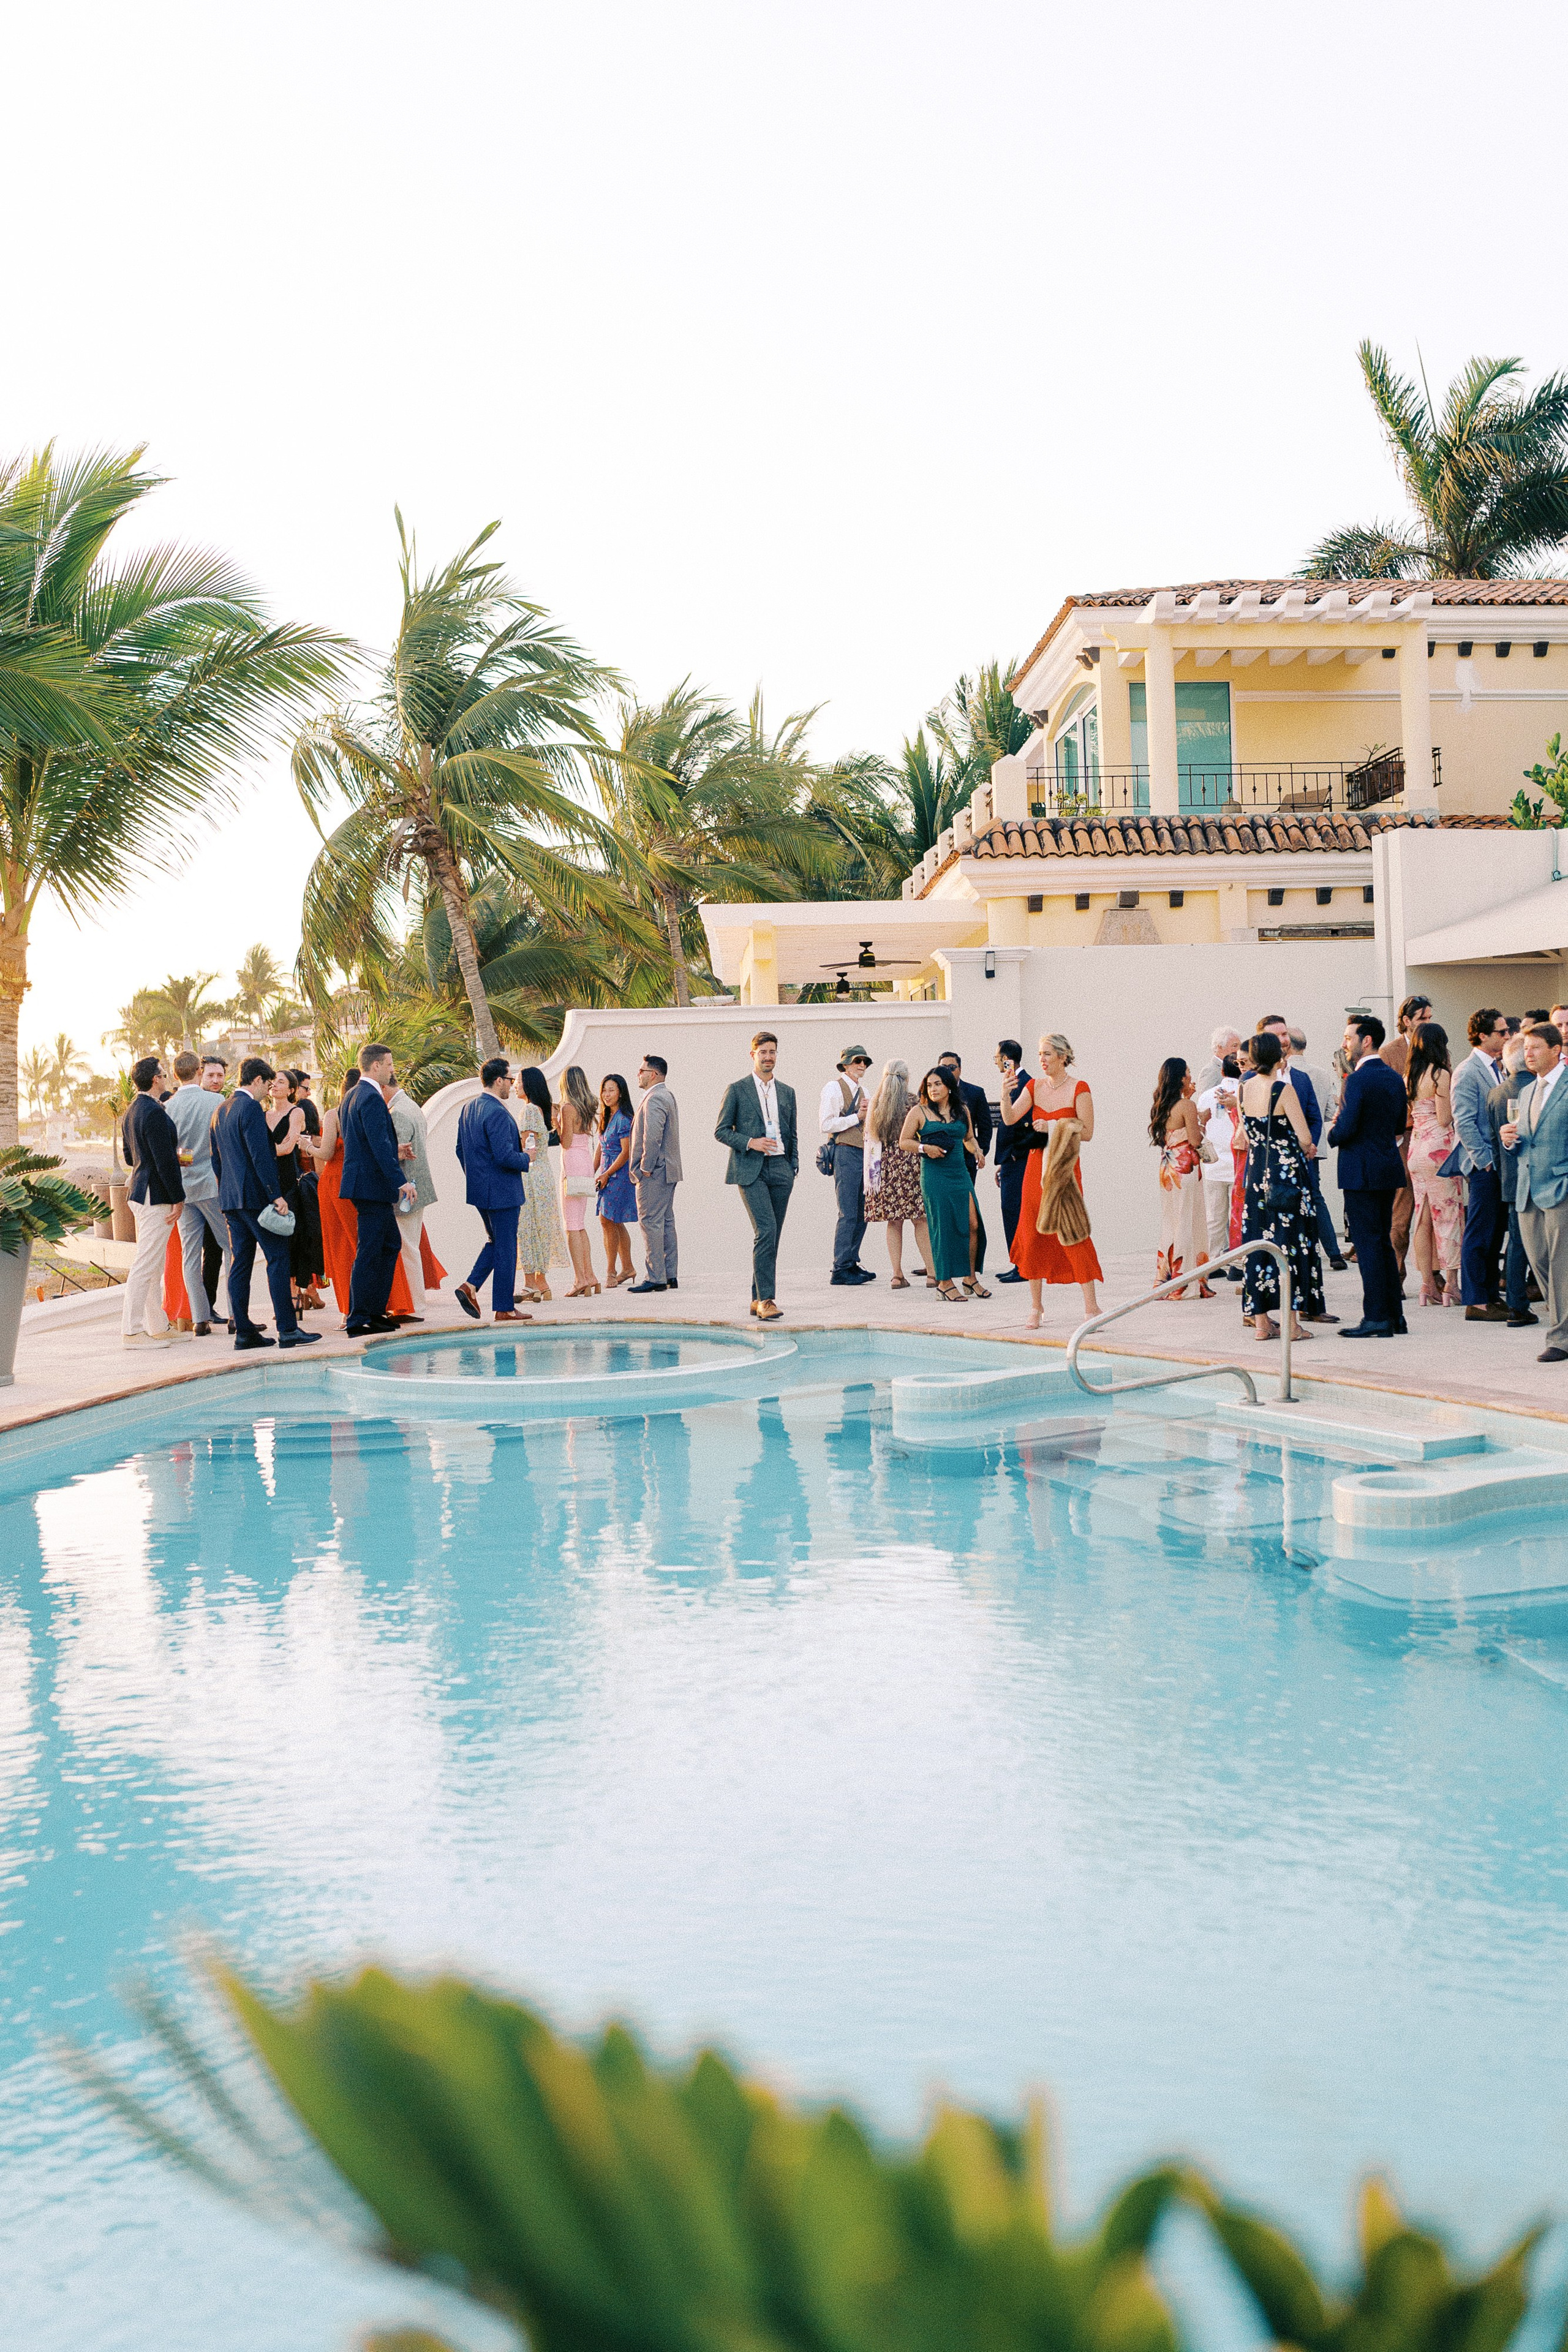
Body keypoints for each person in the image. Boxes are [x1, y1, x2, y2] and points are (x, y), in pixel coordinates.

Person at [210, 1057, 316, 1350]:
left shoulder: (221, 1110)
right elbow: (262, 1156)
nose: (268, 1090)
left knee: (240, 1264)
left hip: (231, 1201)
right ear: (257, 1080)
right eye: (267, 1084)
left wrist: (228, 1191)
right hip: (257, 1199)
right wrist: (276, 1195)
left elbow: (216, 1160)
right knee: (279, 1259)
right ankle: (288, 1329)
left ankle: (244, 1332)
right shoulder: (251, 1109)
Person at [1000, 1033, 1102, 1330]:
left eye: (1047, 1054)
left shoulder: (1079, 1088)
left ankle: (1092, 1306)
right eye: (1040, 1054)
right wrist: (1005, 1094)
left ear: (1062, 1056)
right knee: (1032, 1234)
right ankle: (1036, 1306)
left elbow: (1087, 1132)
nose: (1041, 1060)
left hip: (1065, 1169)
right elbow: (1009, 1119)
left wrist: (1054, 1125)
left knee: (1073, 1231)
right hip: (1035, 1168)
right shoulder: (1033, 1086)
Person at [1238, 1029, 1324, 1343]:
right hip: (1285, 1175)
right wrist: (1308, 1148)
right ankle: (1292, 1324)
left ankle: (1262, 1323)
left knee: (1258, 1244)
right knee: (1291, 1243)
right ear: (1280, 1057)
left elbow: (1245, 1135)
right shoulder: (1282, 1089)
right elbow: (1304, 1137)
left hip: (1256, 1174)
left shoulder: (1243, 1089)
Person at [1329, 1015, 1409, 1338]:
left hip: (1361, 1171)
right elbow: (1398, 1125)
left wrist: (1333, 1132)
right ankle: (1394, 1316)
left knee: (1368, 1245)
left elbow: (1346, 1128)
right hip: (1388, 1167)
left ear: (1366, 1041)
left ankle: (1376, 1317)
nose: (1345, 1044)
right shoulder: (1393, 1078)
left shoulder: (1357, 1080)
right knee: (1383, 1243)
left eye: (1349, 1038)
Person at [715, 1030, 799, 1321]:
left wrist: (793, 1166)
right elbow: (721, 1131)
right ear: (753, 1055)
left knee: (772, 1236)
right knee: (766, 1230)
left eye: (772, 1052)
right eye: (763, 1052)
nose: (768, 1057)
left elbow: (793, 1132)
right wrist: (751, 1142)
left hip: (781, 1168)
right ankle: (767, 1300)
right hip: (750, 1169)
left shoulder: (788, 1092)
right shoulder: (737, 1090)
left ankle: (755, 1297)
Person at [1500, 1022, 1568, 1364]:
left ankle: (1560, 1337)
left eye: (1536, 1047)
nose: (1528, 1054)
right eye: (1526, 1048)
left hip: (1561, 1188)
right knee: (1540, 1262)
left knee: (1561, 1265)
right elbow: (1525, 1144)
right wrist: (1508, 1140)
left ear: (1557, 1050)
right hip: (1528, 1191)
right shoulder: (1525, 1092)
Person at [340, 1042, 416, 1336]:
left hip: (365, 1184)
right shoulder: (370, 1097)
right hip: (371, 1187)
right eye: (389, 1064)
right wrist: (401, 1180)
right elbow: (378, 1145)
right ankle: (359, 1317)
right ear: (375, 1066)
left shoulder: (352, 1095)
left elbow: (365, 1143)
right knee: (371, 1251)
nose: (392, 1069)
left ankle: (373, 1312)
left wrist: (396, 1150)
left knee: (387, 1246)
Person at [454, 1057, 532, 1324]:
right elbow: (504, 1156)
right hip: (502, 1191)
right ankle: (504, 1307)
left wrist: (477, 1177)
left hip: (480, 1191)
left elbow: (460, 1151)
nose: (511, 1085)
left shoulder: (469, 1108)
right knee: (508, 1247)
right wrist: (527, 1158)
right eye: (510, 1080)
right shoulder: (497, 1111)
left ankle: (471, 1286)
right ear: (499, 1080)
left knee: (496, 1242)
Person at [899, 1066, 986, 1304]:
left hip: (960, 1172)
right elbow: (904, 1142)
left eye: (938, 1084)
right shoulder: (919, 1111)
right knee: (942, 1227)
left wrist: (977, 1152)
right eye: (929, 1085)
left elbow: (968, 1138)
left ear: (948, 1086)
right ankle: (944, 1283)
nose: (933, 1089)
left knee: (972, 1224)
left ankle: (969, 1278)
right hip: (935, 1175)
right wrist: (924, 1148)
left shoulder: (962, 1111)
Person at [121, 1055, 186, 1349]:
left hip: (139, 1191)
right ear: (156, 1079)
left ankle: (157, 1326)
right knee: (146, 1264)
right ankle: (132, 1331)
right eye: (163, 1073)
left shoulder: (132, 1111)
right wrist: (178, 1198)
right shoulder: (155, 1113)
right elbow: (164, 1162)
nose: (166, 1077)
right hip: (154, 1194)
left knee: (152, 1262)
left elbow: (129, 1157)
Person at [1453, 1006, 1511, 1320]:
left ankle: (1489, 1294)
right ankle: (1475, 1299)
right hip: (1484, 1164)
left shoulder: (1497, 1068)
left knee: (1494, 1231)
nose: (1507, 1036)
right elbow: (1463, 1122)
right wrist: (1485, 1161)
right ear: (1482, 1035)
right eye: (1501, 1032)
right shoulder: (1467, 1070)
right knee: (1479, 1231)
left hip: (1499, 1162)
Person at [167, 1050, 228, 1335]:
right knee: (232, 1248)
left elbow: (178, 1152)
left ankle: (200, 1319)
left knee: (190, 1256)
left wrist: (188, 1160)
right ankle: (237, 1313)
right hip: (213, 1185)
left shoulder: (169, 1107)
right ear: (199, 1072)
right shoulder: (216, 1101)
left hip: (184, 1187)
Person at [1404, 1021, 1463, 1308]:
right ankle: (1451, 1283)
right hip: (1439, 1149)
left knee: (1423, 1217)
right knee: (1448, 1215)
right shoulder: (1441, 1074)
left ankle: (1427, 1284)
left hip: (1415, 1148)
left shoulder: (1410, 1076)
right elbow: (1444, 1118)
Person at [862, 1058, 935, 1288]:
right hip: (910, 1164)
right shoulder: (914, 1102)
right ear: (906, 1079)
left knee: (894, 1222)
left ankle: (897, 1275)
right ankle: (933, 1274)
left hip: (884, 1167)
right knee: (920, 1220)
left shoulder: (876, 1104)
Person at [1150, 1057, 1213, 1297]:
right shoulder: (1186, 1105)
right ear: (1181, 1078)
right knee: (1189, 1220)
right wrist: (1202, 1121)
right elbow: (1196, 1141)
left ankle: (1167, 1277)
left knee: (1172, 1220)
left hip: (1168, 1168)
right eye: (1187, 1073)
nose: (1190, 1076)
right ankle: (1186, 1282)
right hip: (1186, 1168)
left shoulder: (1161, 1104)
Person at [1380, 992, 1432, 1274]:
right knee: (1402, 1207)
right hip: (1404, 1135)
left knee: (1435, 1207)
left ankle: (1433, 1274)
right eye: (1422, 1018)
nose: (1426, 1023)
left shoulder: (1436, 1047)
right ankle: (1396, 1271)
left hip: (1434, 1133)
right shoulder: (1389, 1053)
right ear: (1406, 1021)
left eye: (1429, 1018)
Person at [1488, 1030, 1537, 1329]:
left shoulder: (1495, 1093)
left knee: (1517, 1244)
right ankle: (1521, 1304)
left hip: (1508, 1177)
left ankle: (1516, 1305)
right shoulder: (1539, 1088)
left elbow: (1495, 1142)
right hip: (1537, 1176)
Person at [1288, 1024, 1348, 1268]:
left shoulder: (1284, 1074)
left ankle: (1302, 1250)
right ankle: (1333, 1253)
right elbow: (1330, 1113)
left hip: (1290, 1145)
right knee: (1315, 1196)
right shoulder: (1322, 1074)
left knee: (1288, 1198)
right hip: (1315, 1144)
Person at [819, 1044, 875, 1286]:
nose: (861, 1065)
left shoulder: (865, 1091)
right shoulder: (833, 1088)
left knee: (863, 1211)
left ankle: (851, 1261)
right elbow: (826, 1124)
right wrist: (857, 1117)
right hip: (844, 1152)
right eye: (856, 1061)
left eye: (864, 1062)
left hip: (864, 1154)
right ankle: (840, 1267)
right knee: (848, 1212)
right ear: (845, 1064)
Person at [628, 1053, 682, 1294]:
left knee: (650, 1221)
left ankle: (655, 1276)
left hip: (656, 1171)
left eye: (642, 1071)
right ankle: (669, 1275)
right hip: (667, 1170)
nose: (638, 1074)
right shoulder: (665, 1095)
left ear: (654, 1074)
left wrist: (645, 1168)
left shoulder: (655, 1098)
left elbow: (652, 1136)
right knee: (666, 1222)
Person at [387, 1072, 439, 1319]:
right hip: (418, 1187)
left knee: (407, 1249)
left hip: (406, 1191)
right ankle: (412, 1303)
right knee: (411, 1247)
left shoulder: (397, 1112)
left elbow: (397, 1153)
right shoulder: (412, 1106)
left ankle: (414, 1305)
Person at [511, 1066, 564, 1301]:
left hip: (531, 1175)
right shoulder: (540, 1110)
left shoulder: (529, 1111)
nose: (515, 1085)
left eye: (519, 1081)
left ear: (528, 1085)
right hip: (542, 1173)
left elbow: (528, 1147)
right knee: (539, 1226)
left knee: (528, 1227)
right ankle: (541, 1284)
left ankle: (533, 1283)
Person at [937, 1049, 991, 1275]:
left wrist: (980, 1153)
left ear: (960, 1069)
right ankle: (939, 1265)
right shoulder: (932, 1095)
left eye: (952, 1067)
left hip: (966, 1164)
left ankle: (967, 1267)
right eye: (943, 1068)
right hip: (938, 1164)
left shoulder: (974, 1093)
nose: (949, 1071)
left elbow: (984, 1128)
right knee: (942, 1216)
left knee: (968, 1218)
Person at [265, 1069, 311, 1315]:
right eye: (273, 1082)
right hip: (269, 1183)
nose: (275, 1085)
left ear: (291, 1090)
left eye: (281, 1082)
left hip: (288, 1181)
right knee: (274, 1241)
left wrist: (261, 1151)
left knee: (291, 1238)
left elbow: (287, 1147)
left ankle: (294, 1293)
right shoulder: (263, 1114)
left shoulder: (296, 1112)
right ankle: (284, 1296)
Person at [557, 1064, 601, 1297]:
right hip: (585, 1160)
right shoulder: (588, 1104)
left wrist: (557, 1122)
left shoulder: (567, 1107)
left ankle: (580, 1279)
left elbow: (565, 1141)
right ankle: (590, 1275)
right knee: (580, 1222)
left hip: (571, 1159)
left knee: (571, 1224)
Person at [1196, 1050, 1242, 1269]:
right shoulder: (1243, 1093)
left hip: (1213, 1166)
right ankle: (1238, 1261)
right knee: (1238, 1216)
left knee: (1214, 1218)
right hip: (1238, 1163)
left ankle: (1213, 1263)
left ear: (1222, 1071)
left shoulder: (1207, 1096)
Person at [594, 1074, 638, 1287]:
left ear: (621, 1092)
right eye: (604, 1091)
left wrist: (607, 1174)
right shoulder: (606, 1116)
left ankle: (611, 1271)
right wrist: (592, 1170)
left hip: (618, 1175)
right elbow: (601, 1147)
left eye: (611, 1090)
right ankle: (627, 1267)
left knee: (607, 1220)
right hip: (606, 1173)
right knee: (613, 1221)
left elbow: (626, 1152)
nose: (607, 1095)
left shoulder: (623, 1118)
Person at [992, 1040, 1030, 1282]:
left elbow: (1023, 1123)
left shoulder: (1024, 1084)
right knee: (1010, 1211)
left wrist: (1015, 1154)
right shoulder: (1012, 1083)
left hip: (1019, 1161)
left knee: (1016, 1211)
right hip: (1010, 1161)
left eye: (997, 1057)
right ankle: (1017, 1262)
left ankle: (1024, 1266)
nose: (995, 1061)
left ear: (1007, 1058)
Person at [1196, 1026, 1242, 1095]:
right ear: (1220, 1047)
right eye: (1235, 1046)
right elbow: (1205, 1098)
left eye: (1240, 1046)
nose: (1239, 1050)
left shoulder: (1239, 1066)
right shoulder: (1210, 1070)